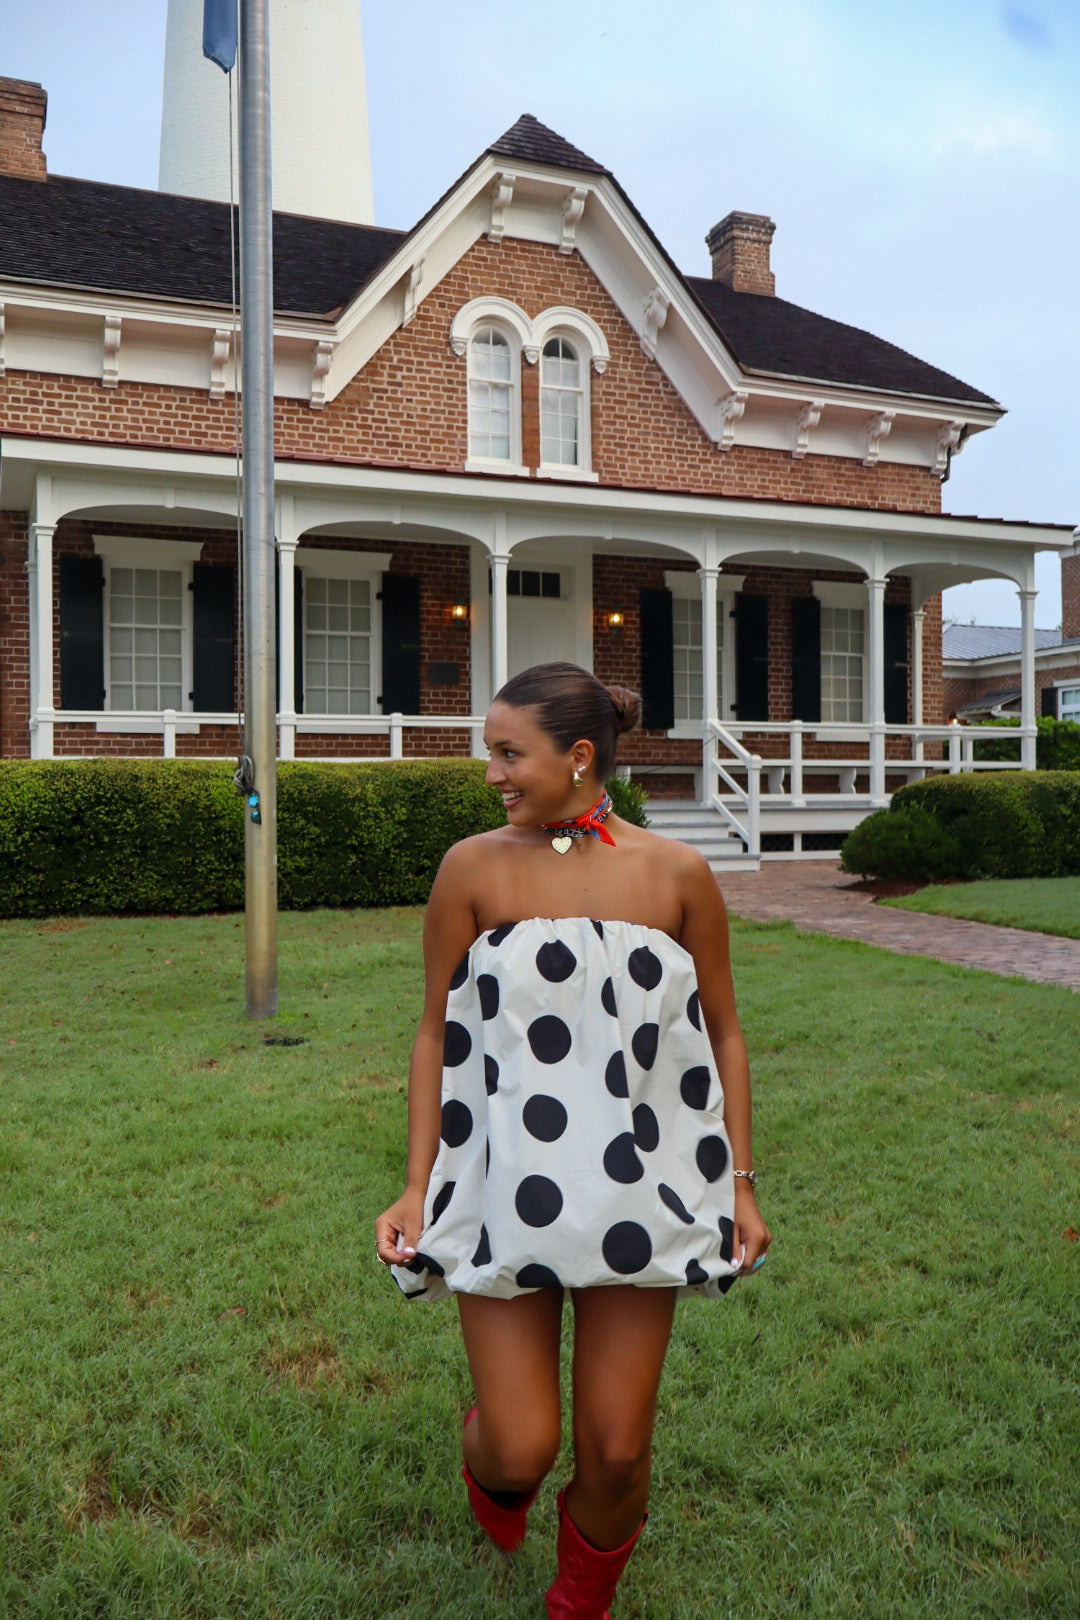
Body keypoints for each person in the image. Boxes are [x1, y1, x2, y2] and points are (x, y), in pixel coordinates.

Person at [375, 661, 770, 1618]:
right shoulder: (472, 868)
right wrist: (415, 1182)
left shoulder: (675, 874)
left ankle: (579, 1601)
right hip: (506, 1185)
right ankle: (493, 1469)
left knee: (618, 1450)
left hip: (643, 1190)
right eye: (490, 754)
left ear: (580, 757)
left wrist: (743, 1186)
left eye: (510, 754)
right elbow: (434, 1029)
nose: (492, 775)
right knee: (520, 1447)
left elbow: (724, 1030)